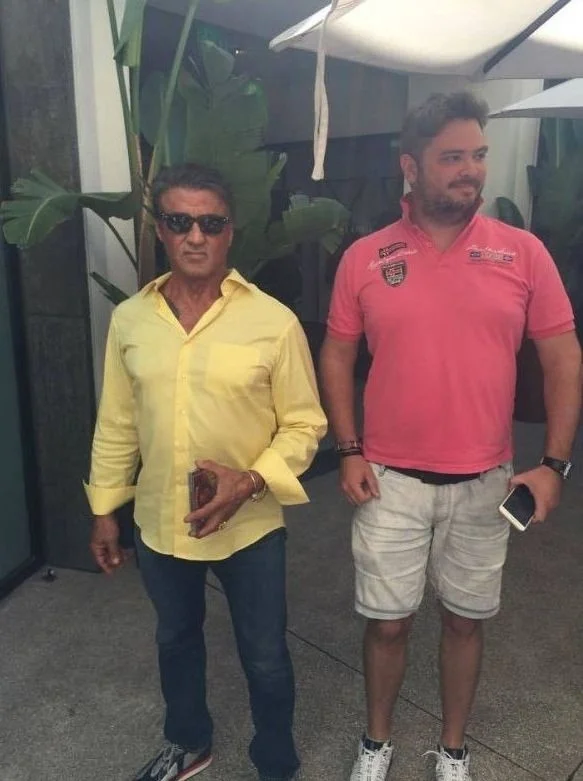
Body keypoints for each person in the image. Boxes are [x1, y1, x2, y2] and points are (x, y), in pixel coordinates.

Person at [319, 92, 582, 781]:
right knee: (387, 623)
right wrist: (347, 448)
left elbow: (563, 355)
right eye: (452, 157)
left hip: (487, 482)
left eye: (478, 155)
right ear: (411, 166)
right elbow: (337, 353)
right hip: (388, 481)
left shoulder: (521, 252)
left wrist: (554, 463)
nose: (470, 170)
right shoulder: (366, 257)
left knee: (465, 621)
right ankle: (376, 742)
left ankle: (454, 749)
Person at [85, 163, 327, 781]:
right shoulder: (131, 320)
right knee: (175, 640)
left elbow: (305, 425)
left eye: (211, 223)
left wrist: (249, 480)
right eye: (180, 221)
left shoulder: (272, 322)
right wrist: (104, 511)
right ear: (160, 230)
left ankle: (275, 762)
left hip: (250, 527)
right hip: (160, 521)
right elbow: (117, 422)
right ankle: (188, 743)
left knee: (265, 655)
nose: (196, 236)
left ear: (230, 232)